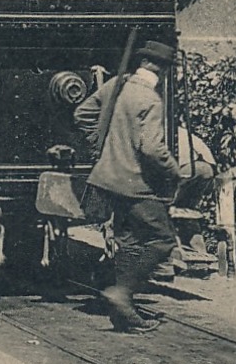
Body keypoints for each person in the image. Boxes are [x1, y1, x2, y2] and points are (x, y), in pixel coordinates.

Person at [73, 40, 191, 332]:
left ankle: (122, 314)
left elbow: (82, 114)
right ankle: (122, 293)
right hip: (134, 183)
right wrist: (175, 171)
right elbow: (151, 148)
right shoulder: (150, 100)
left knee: (129, 241)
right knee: (161, 239)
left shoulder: (118, 85)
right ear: (160, 70)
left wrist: (100, 146)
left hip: (106, 178)